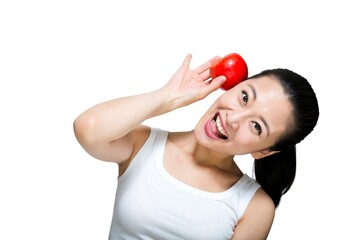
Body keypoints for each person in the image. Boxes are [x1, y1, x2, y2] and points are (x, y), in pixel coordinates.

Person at [73, 53, 319, 240]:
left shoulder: (255, 206)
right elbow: (88, 128)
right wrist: (169, 96)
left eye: (256, 126)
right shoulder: (144, 145)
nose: (232, 120)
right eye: (244, 97)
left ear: (264, 151)